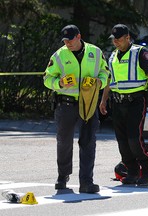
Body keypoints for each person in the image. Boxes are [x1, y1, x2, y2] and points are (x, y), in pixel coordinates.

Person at [43, 24, 110, 193]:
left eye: (70, 40)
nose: (68, 43)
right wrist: (60, 83)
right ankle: (62, 176)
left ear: (79, 36)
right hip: (66, 104)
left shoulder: (95, 52)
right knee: (64, 142)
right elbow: (46, 78)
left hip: (88, 103)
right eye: (65, 41)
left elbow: (105, 72)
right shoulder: (59, 55)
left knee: (88, 142)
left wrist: (99, 82)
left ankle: (86, 182)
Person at [99, 24, 148, 185]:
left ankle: (147, 171)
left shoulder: (140, 52)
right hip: (117, 103)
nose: (115, 42)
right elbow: (109, 80)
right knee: (122, 141)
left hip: (136, 102)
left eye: (118, 39)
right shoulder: (113, 55)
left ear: (127, 38)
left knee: (134, 139)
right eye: (113, 39)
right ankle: (132, 172)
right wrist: (103, 100)